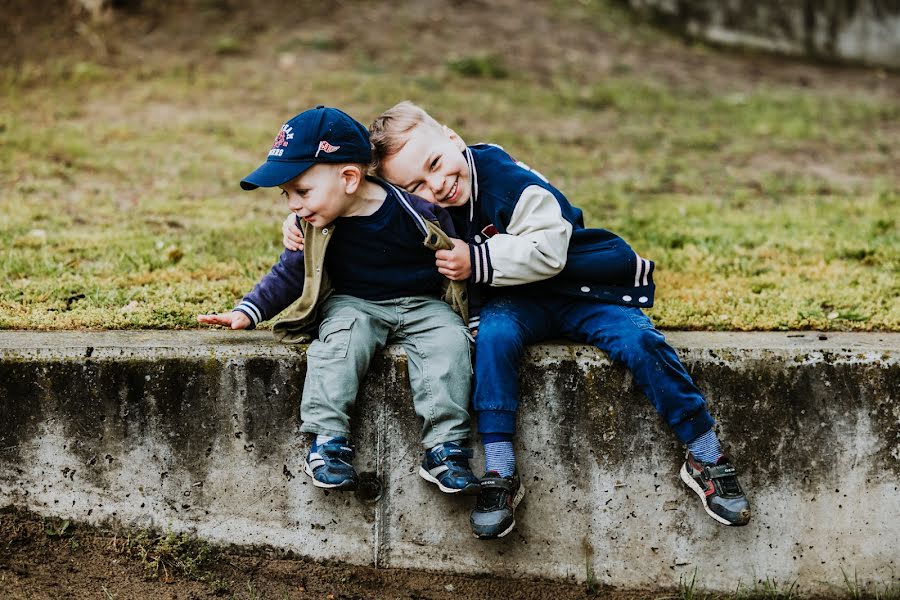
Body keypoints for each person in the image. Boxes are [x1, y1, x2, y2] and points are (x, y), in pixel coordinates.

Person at [285, 101, 751, 539]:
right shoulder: (420, 201)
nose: (436, 187)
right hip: (516, 302)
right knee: (494, 338)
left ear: (452, 137)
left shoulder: (508, 181)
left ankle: (705, 453)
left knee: (639, 341)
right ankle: (501, 469)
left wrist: (477, 262)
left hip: (579, 287)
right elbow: (358, 199)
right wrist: (302, 224)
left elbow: (549, 250)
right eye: (417, 187)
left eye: (433, 165)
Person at [199, 106, 480, 497]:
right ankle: (328, 441)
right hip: (355, 303)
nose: (293, 205)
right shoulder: (311, 224)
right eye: (287, 195)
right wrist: (248, 310)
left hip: (421, 303)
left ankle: (445, 448)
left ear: (349, 178)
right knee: (339, 343)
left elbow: (451, 260)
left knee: (449, 344)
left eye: (301, 192)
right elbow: (290, 272)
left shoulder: (416, 213)